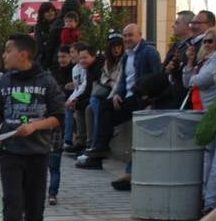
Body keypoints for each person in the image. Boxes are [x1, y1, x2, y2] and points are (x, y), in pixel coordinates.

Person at [0, 34, 64, 221]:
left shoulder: (47, 82)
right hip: (10, 151)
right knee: (12, 203)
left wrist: (34, 127)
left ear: (23, 54)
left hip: (38, 152)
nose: (4, 55)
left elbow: (58, 117)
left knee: (34, 205)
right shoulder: (4, 81)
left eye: (8, 50)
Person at [102, 22, 163, 191]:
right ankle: (100, 147)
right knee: (103, 107)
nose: (127, 39)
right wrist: (117, 93)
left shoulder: (149, 52)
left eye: (130, 35)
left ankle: (130, 172)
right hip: (128, 97)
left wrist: (149, 98)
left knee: (138, 138)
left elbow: (157, 75)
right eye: (125, 35)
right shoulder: (127, 56)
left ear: (140, 35)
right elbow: (123, 80)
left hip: (142, 99)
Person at [74, 32, 125, 170]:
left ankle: (96, 147)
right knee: (91, 107)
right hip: (108, 94)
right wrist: (111, 82)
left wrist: (113, 85)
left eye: (119, 46)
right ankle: (91, 145)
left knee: (96, 105)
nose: (116, 49)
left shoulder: (125, 59)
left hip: (119, 96)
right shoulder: (106, 62)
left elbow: (121, 80)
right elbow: (104, 78)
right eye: (113, 46)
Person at [47, 45, 75, 206]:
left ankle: (52, 193)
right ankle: (51, 193)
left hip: (54, 139)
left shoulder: (73, 71)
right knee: (51, 168)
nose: (61, 60)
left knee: (54, 168)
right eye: (59, 57)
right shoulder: (54, 72)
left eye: (64, 56)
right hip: (48, 139)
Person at [64, 42, 97, 155]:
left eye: (72, 52)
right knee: (70, 107)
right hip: (82, 95)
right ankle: (75, 140)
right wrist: (71, 98)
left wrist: (73, 99)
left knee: (80, 107)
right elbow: (77, 87)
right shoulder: (75, 69)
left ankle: (77, 141)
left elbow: (84, 86)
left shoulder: (86, 68)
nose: (71, 55)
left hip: (89, 96)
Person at [164, 10, 196, 106]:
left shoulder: (193, 47)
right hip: (170, 94)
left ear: (188, 26)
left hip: (182, 97)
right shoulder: (175, 46)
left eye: (177, 23)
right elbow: (164, 68)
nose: (173, 26)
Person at [33, 2, 60, 72]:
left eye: (52, 11)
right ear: (42, 14)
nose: (51, 13)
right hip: (44, 58)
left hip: (57, 57)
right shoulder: (38, 27)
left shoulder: (59, 23)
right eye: (47, 11)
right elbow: (39, 44)